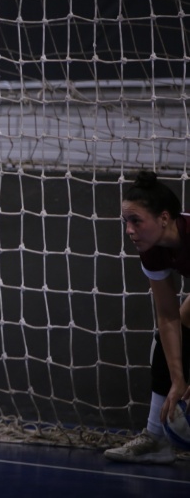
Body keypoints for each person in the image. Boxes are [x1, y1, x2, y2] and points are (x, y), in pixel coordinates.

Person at [104, 171, 190, 464]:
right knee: (166, 343)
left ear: (164, 218)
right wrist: (178, 380)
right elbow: (167, 316)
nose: (129, 230)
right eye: (125, 222)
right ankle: (156, 439)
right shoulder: (152, 250)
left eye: (136, 221)